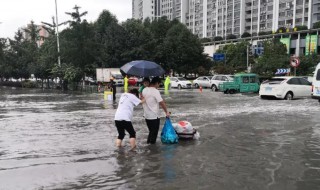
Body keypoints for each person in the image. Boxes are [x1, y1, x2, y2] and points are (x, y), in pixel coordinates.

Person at [142, 77, 170, 144]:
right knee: (154, 134)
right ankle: (152, 151)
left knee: (151, 132)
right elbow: (162, 103)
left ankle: (148, 147)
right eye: (159, 84)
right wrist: (166, 112)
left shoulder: (144, 90)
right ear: (157, 83)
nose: (159, 86)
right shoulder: (155, 91)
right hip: (154, 116)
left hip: (146, 116)